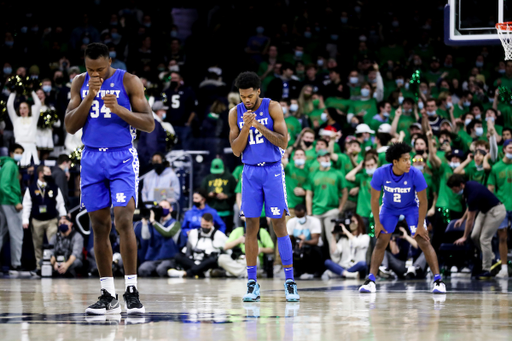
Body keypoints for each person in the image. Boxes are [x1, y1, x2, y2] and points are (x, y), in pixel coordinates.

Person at [65, 43, 154, 315]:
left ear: (110, 62)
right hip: (91, 159)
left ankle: (131, 290)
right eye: (91, 69)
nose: (96, 74)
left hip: (122, 158)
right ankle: (107, 294)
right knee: (99, 225)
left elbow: (149, 122)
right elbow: (70, 126)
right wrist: (90, 97)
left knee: (124, 219)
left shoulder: (129, 80)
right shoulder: (79, 83)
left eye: (100, 69)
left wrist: (120, 111)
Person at [228, 71, 299, 302]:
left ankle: (289, 282)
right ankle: (251, 283)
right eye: (242, 97)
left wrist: (257, 124)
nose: (246, 101)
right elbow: (237, 150)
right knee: (251, 226)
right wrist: (246, 128)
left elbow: (283, 141)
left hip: (272, 170)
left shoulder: (273, 107)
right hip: (249, 172)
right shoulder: (234, 113)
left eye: (249, 96)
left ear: (258, 91)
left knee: (278, 225)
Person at [359, 142, 446, 294]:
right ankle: (370, 280)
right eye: (405, 160)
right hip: (389, 208)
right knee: (381, 242)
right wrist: (377, 223)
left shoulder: (416, 174)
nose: (409, 162)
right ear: (395, 162)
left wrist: (420, 225)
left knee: (424, 241)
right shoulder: (380, 173)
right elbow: (374, 200)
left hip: (411, 208)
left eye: (409, 159)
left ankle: (438, 281)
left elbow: (424, 201)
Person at [448, 174, 506, 279]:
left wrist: (464, 237)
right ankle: (491, 257)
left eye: (454, 188)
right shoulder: (468, 187)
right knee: (474, 236)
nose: (453, 191)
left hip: (496, 211)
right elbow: (470, 207)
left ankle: (487, 269)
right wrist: (462, 218)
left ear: (461, 185)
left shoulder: (473, 192)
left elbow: (470, 220)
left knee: (484, 239)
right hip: (484, 211)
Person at [22, 165, 68, 273]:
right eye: (47, 172)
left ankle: (54, 266)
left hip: (51, 220)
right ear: (40, 174)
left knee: (53, 243)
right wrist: (25, 220)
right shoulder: (31, 188)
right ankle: (39, 267)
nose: (49, 174)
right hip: (37, 220)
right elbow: (27, 205)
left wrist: (63, 216)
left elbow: (60, 203)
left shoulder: (54, 187)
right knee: (37, 244)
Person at [168, 213, 227, 278]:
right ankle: (201, 272)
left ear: (212, 224)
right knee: (177, 256)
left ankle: (186, 273)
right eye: (203, 225)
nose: (205, 227)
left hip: (208, 261)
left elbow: (227, 251)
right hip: (194, 259)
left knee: (213, 260)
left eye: (207, 226)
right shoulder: (193, 232)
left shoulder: (220, 235)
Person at [137, 200, 183, 277]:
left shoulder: (175, 223)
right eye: (161, 207)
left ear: (171, 209)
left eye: (165, 207)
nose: (162, 209)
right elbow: (146, 237)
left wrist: (153, 221)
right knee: (143, 269)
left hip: (169, 258)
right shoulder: (154, 223)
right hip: (155, 258)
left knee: (161, 269)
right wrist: (145, 222)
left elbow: (167, 233)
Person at [487, 139, 512, 279]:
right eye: (509, 148)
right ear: (504, 149)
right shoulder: (496, 168)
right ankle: (504, 268)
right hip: (501, 208)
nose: (511, 150)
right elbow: (490, 189)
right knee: (502, 237)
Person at [0, 143, 24, 272]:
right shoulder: (10, 165)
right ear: (11, 153)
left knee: (1, 234)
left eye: (21, 152)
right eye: (17, 152)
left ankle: (15, 263)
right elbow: (4, 186)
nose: (19, 155)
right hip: (10, 202)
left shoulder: (7, 164)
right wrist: (15, 201)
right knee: (17, 234)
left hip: (4, 201)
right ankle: (16, 264)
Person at [323, 213, 369, 279]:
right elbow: (335, 252)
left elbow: (357, 243)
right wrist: (333, 236)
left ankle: (341, 273)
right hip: (344, 266)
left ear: (359, 222)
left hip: (356, 266)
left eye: (353, 221)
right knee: (327, 262)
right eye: (350, 222)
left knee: (363, 264)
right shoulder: (344, 239)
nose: (351, 224)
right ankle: (348, 275)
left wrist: (346, 232)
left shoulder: (365, 237)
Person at [200, 158, 237, 234]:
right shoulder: (208, 178)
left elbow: (237, 194)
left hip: (227, 212)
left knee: (226, 233)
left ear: (223, 166)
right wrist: (209, 195)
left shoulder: (230, 178)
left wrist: (226, 196)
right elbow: (201, 193)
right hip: (211, 211)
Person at [286, 204, 323, 278]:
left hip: (312, 246)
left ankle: (317, 271)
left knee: (316, 250)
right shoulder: (291, 222)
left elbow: (315, 240)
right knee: (290, 250)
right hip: (298, 245)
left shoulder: (314, 221)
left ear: (305, 213)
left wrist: (304, 242)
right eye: (298, 216)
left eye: (301, 216)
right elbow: (288, 239)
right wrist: (297, 241)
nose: (300, 218)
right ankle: (296, 271)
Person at [6, 89, 42, 167]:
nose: (22, 110)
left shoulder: (33, 119)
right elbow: (9, 105)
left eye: (25, 108)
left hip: (31, 146)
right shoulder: (16, 119)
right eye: (21, 108)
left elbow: (38, 104)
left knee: (32, 169)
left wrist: (31, 90)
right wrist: (14, 91)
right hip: (19, 147)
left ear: (29, 110)